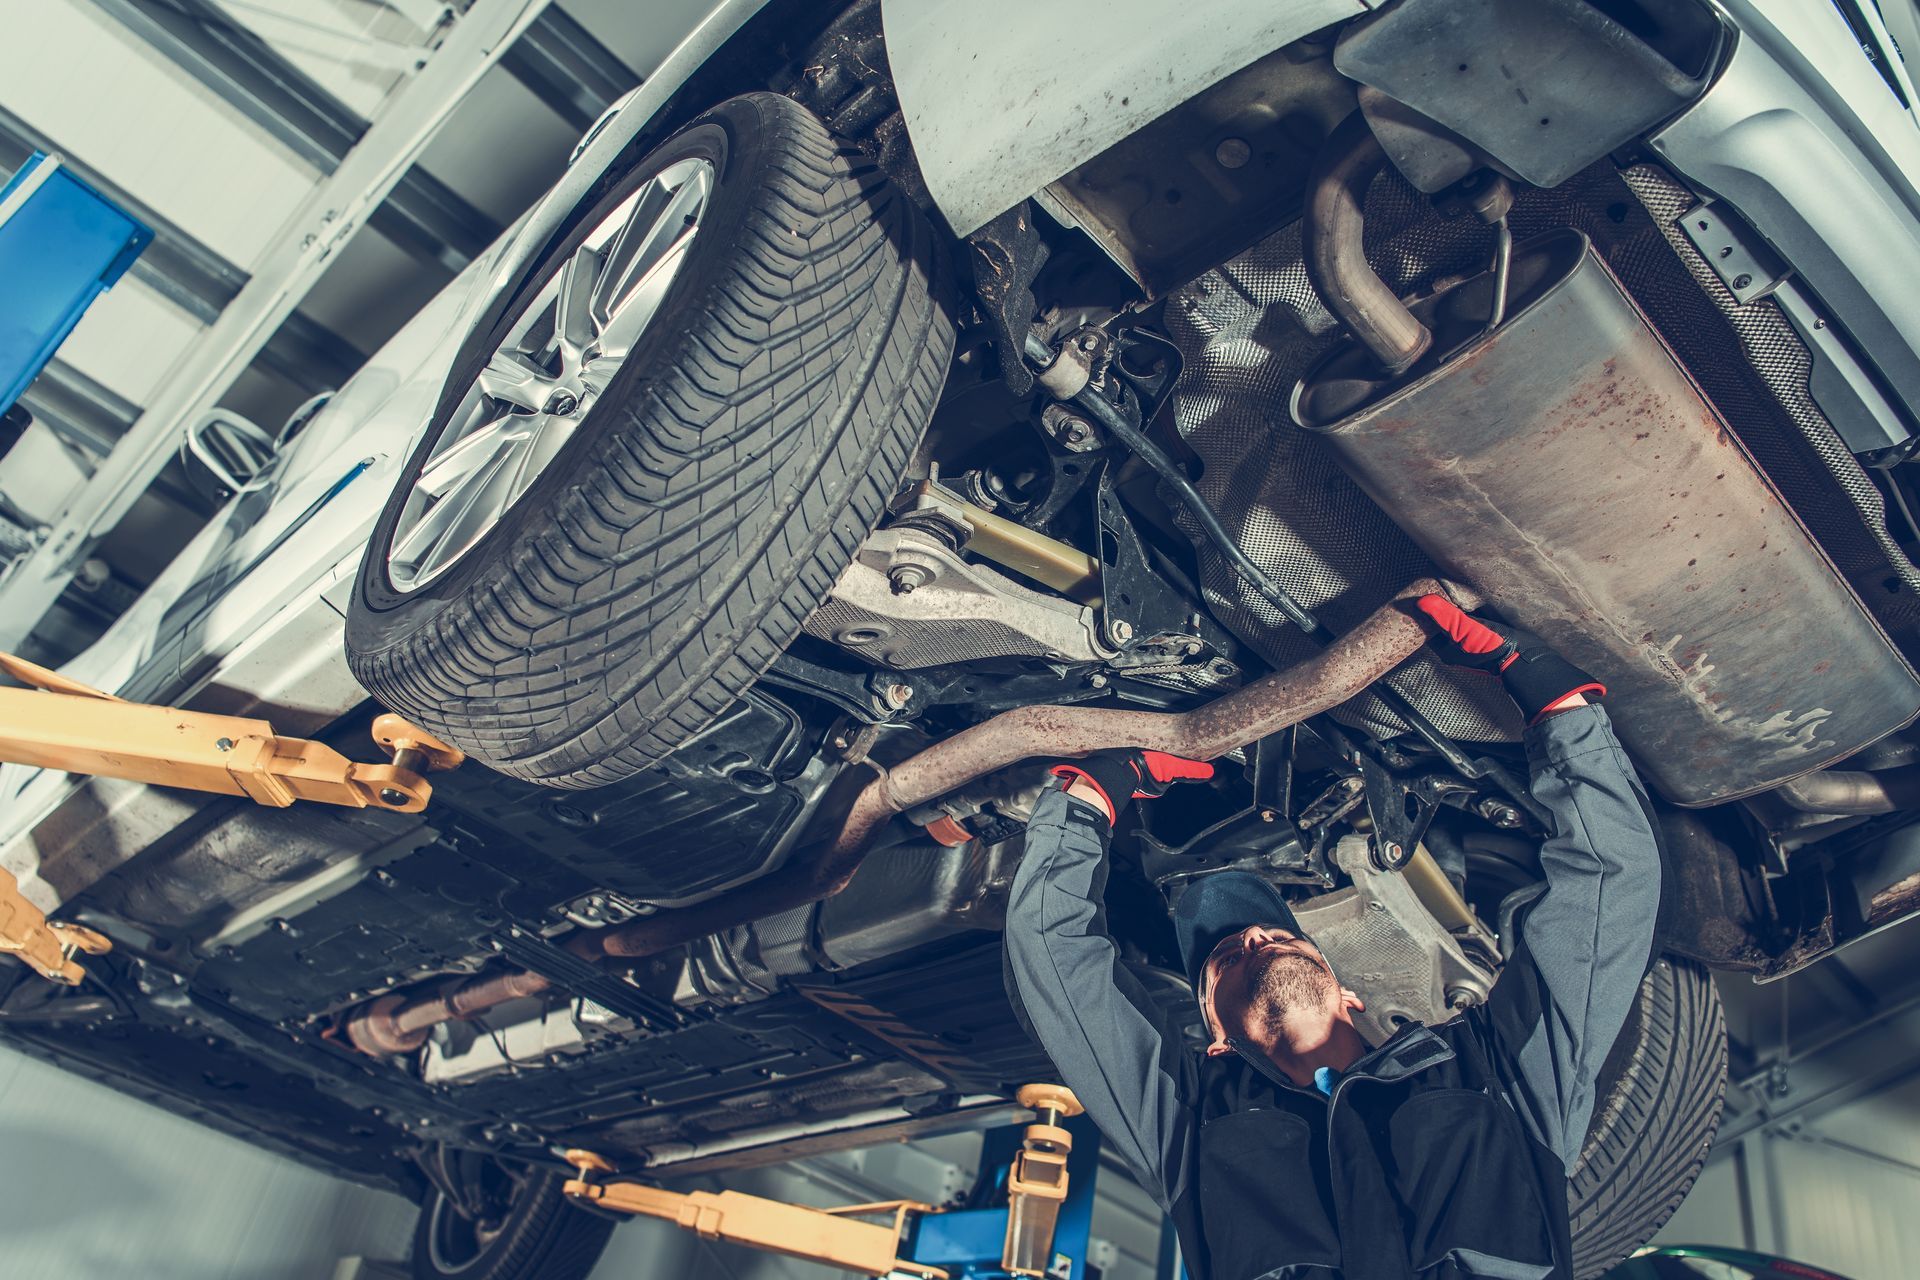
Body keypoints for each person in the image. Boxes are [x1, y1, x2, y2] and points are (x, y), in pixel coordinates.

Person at [1003, 594, 1661, 1280]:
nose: (1257, 933)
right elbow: (1610, 892)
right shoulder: (1490, 1073)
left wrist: (1086, 799)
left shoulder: (1190, 1132)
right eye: (1231, 954)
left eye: (1240, 948)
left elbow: (1053, 964)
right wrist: (1553, 699)